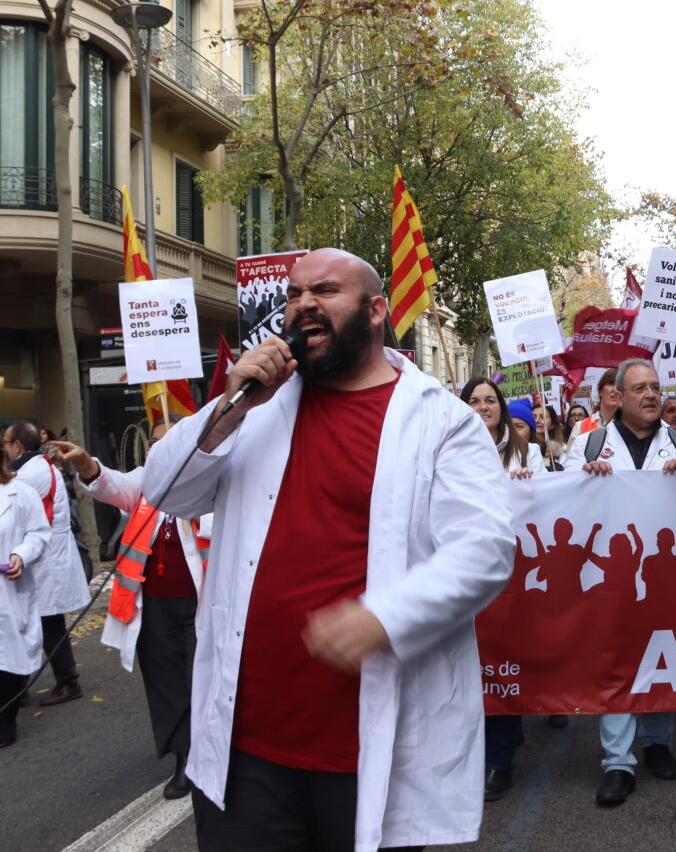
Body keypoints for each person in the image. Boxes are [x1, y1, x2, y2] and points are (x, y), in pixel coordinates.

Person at [143, 248, 513, 850]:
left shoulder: (442, 420)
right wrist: (228, 407)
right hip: (246, 748)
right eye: (293, 294)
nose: (303, 304)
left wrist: (384, 618)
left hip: (369, 749)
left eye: (325, 290)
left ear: (374, 311)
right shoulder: (256, 407)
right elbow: (166, 488)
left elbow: (487, 548)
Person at [563, 358, 676, 807]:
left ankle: (658, 744)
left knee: (663, 658)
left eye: (656, 387)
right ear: (618, 396)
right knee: (617, 660)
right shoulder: (589, 446)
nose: (650, 395)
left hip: (666, 580)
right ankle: (618, 763)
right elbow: (563, 505)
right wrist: (584, 482)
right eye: (640, 388)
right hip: (616, 579)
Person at [48, 423, 207, 798]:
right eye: (154, 441)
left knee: (204, 679)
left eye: (170, 439)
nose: (158, 446)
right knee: (167, 684)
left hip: (205, 607)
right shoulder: (145, 483)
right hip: (154, 607)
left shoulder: (209, 482)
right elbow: (112, 485)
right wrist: (87, 464)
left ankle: (215, 750)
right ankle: (184, 757)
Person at [458, 377, 545, 801]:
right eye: (473, 400)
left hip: (513, 576)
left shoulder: (527, 454)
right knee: (468, 668)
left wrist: (532, 486)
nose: (483, 406)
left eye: (490, 400)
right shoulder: (447, 452)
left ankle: (499, 762)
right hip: (461, 573)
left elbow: (547, 507)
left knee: (502, 665)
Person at [2, 421, 90, 707]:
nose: (3, 448)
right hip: (43, 560)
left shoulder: (29, 475)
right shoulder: (35, 468)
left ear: (17, 446)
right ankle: (18, 684)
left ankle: (65, 681)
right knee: (39, 624)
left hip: (44, 561)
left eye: (5, 442)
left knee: (46, 626)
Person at [0, 458, 51, 747]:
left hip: (8, 586)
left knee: (7, 656)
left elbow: (39, 533)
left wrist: (21, 554)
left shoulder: (20, 493)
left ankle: (5, 719)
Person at [574, 369, 620, 435]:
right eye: (611, 384)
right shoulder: (580, 427)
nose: (615, 389)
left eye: (619, 385)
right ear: (600, 391)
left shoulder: (633, 427)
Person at [533, 405, 566, 470]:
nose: (537, 420)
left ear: (552, 425)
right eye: (533, 417)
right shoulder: (521, 449)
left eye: (543, 417)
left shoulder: (564, 451)